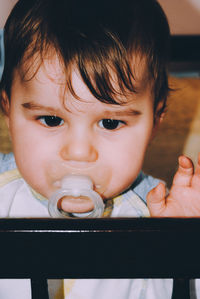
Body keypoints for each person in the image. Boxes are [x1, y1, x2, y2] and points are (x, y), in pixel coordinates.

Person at [1, 0, 200, 298]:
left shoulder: (160, 213)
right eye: (52, 119)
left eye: (110, 123)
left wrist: (184, 240)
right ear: (8, 111)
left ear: (155, 122)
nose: (79, 153)